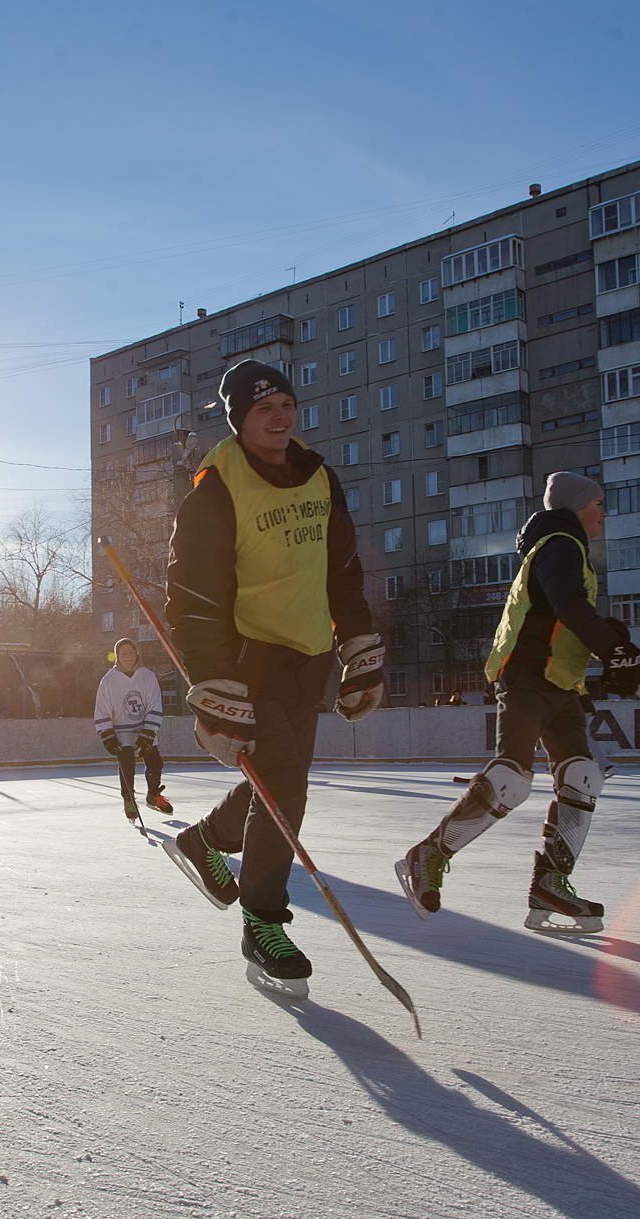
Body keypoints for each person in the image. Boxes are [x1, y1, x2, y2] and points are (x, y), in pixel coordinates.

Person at [162, 359, 382, 997]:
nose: (281, 417)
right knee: (285, 786)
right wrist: (210, 686)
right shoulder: (215, 489)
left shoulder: (318, 476)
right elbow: (193, 598)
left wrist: (357, 649)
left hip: (307, 655)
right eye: (265, 409)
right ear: (240, 419)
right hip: (248, 657)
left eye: (286, 404)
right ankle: (262, 921)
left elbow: (342, 571)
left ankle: (205, 840)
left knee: (280, 782)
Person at [396, 471, 640, 935]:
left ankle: (551, 882)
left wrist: (612, 638)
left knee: (583, 776)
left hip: (560, 683)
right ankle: (428, 854)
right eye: (598, 504)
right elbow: (568, 605)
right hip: (529, 675)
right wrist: (614, 649)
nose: (604, 512)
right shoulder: (559, 545)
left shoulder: (568, 548)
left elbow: (564, 615)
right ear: (575, 508)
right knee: (511, 779)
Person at [94, 638, 169, 821]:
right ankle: (129, 800)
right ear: (117, 656)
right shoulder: (108, 680)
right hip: (120, 730)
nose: (127, 656)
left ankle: (153, 795)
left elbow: (154, 704)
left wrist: (148, 732)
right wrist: (107, 734)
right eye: (123, 653)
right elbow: (102, 708)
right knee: (127, 762)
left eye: (130, 652)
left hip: (143, 728)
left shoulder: (148, 676)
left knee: (155, 762)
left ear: (136, 654)